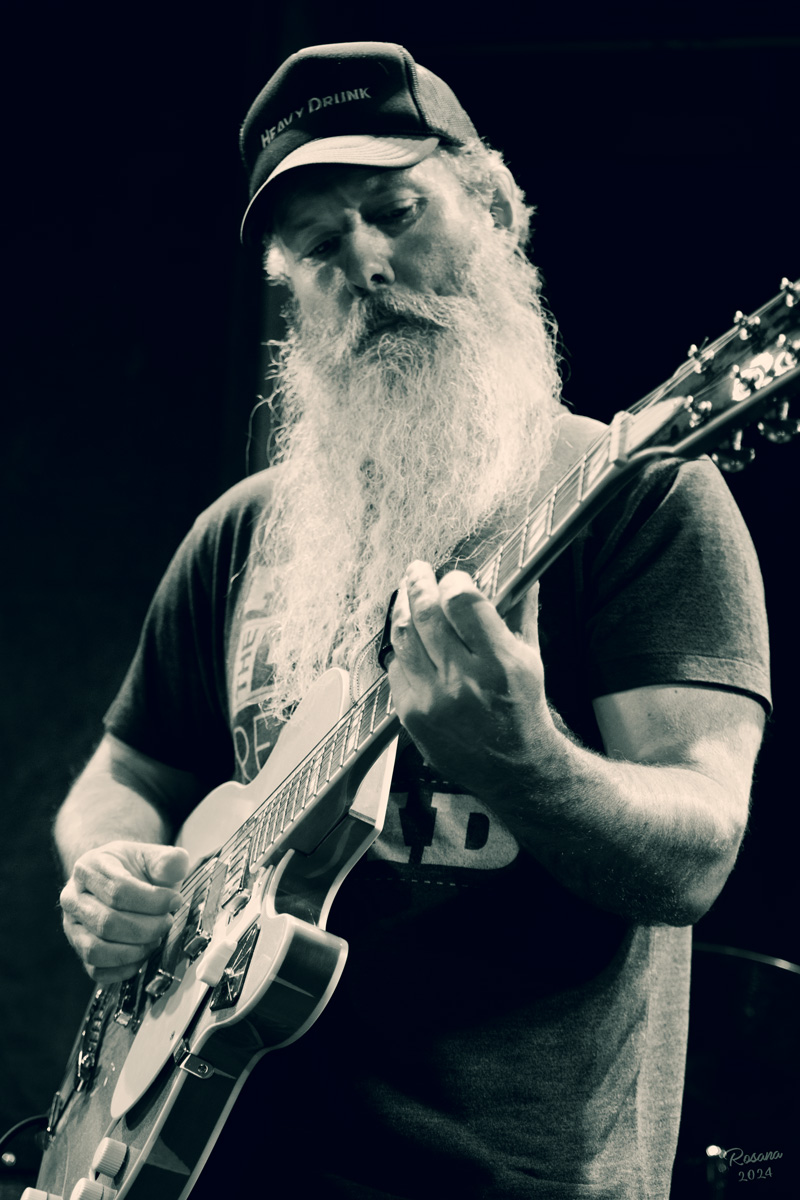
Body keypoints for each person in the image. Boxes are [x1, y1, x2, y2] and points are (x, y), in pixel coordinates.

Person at [54, 41, 770, 1200]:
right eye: (317, 249)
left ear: (492, 208)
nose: (366, 267)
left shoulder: (643, 499)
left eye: (394, 213)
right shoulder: (241, 533)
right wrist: (108, 875)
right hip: (212, 1160)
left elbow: (694, 854)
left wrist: (523, 759)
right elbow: (119, 777)